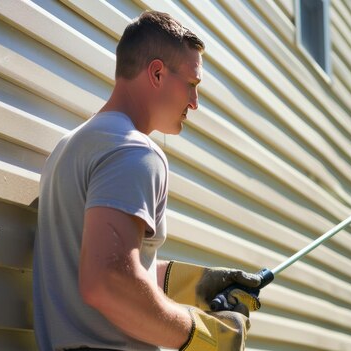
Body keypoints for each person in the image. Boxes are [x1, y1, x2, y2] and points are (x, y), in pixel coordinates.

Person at [33, 10, 261, 351]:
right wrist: (206, 338)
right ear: (156, 72)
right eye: (192, 84)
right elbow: (106, 282)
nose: (194, 103)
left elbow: (104, 263)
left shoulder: (70, 148)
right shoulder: (135, 152)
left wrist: (195, 285)